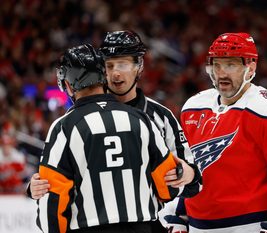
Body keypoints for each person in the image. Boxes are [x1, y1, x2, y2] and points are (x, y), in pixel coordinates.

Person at [30, 30, 201, 232]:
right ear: (101, 70)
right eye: (109, 65)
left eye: (122, 64)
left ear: (139, 67)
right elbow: (169, 188)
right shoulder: (142, 120)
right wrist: (36, 186)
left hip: (144, 219)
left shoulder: (160, 117)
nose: (115, 73)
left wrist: (189, 175)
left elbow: (194, 181)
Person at [159, 32, 267, 233]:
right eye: (217, 65)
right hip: (197, 226)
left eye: (230, 65)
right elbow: (191, 170)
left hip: (251, 227)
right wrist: (181, 214)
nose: (222, 73)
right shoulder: (193, 106)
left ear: (251, 67)